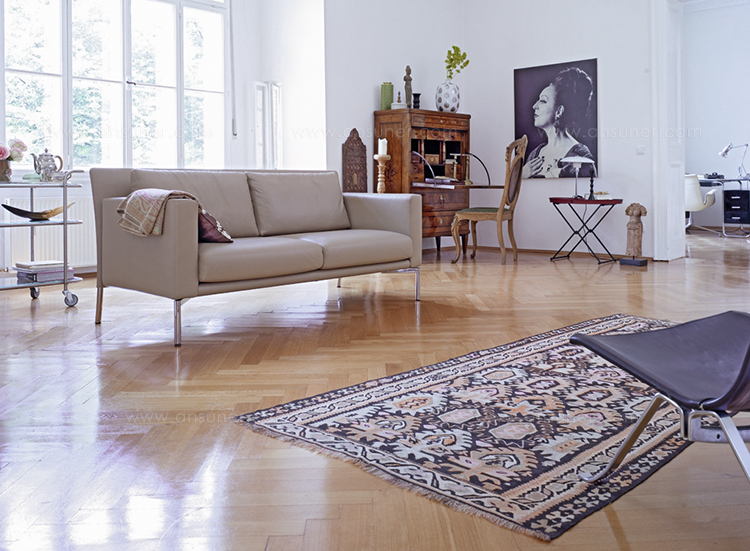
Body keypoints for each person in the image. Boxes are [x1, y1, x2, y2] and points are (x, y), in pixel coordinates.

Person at [522, 67, 594, 179]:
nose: (534, 106)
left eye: (543, 101)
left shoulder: (580, 157)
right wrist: (522, 175)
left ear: (559, 111)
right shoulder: (535, 154)